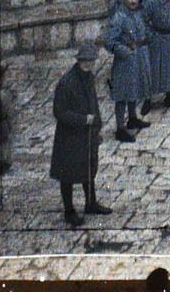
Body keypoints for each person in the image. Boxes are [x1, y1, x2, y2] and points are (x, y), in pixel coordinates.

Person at [50, 41, 110, 227]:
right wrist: (84, 120)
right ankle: (69, 211)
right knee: (67, 175)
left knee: (89, 169)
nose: (89, 64)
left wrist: (97, 126)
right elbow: (59, 112)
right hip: (69, 138)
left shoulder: (89, 77)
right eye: (85, 61)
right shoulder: (66, 83)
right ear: (79, 60)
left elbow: (93, 103)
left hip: (88, 135)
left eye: (91, 61)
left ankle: (90, 203)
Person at [102, 0, 151, 142]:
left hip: (138, 58)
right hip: (125, 61)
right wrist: (124, 51)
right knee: (122, 94)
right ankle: (120, 128)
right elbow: (109, 41)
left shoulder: (137, 14)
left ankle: (132, 118)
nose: (132, 1)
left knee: (134, 89)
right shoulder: (119, 17)